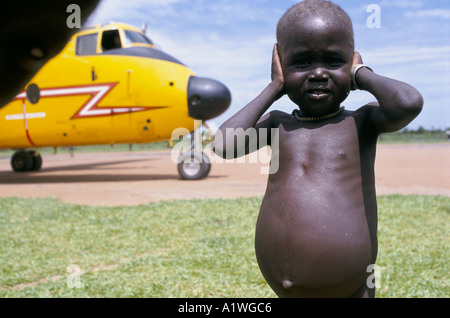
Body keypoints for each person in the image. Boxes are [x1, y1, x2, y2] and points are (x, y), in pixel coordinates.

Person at [212, 0, 423, 297]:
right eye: (301, 62)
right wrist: (274, 87)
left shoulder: (361, 122)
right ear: (282, 66)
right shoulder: (277, 124)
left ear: (350, 63)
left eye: (334, 61)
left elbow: (408, 102)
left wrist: (360, 72)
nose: (319, 73)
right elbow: (224, 144)